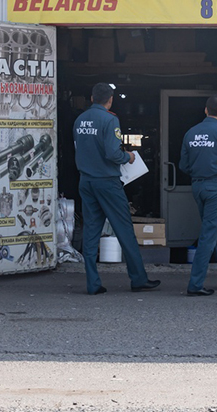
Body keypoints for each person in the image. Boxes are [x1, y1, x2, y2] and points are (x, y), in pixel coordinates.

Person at [73, 83, 160, 295]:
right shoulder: (110, 119)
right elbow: (113, 153)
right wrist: (128, 156)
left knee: (91, 231)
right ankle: (138, 278)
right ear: (110, 100)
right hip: (107, 182)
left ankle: (93, 283)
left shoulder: (79, 120)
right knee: (124, 229)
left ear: (92, 98)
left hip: (86, 181)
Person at [178, 95, 217, 296]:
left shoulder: (191, 132)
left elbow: (183, 165)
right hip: (215, 187)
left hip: (198, 186)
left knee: (214, 231)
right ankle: (195, 284)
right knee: (208, 234)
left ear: (205, 110)